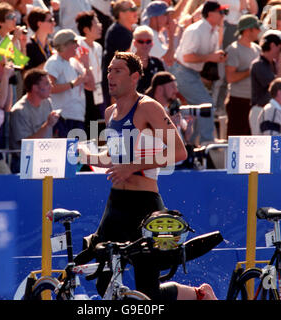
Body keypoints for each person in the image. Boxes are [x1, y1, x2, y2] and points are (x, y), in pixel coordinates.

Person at [78, 51, 217, 301]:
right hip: (116, 204)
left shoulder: (148, 107)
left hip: (144, 205)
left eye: (117, 70)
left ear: (134, 77)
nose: (110, 75)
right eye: (109, 70)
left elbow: (178, 151)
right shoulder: (109, 113)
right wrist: (86, 155)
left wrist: (132, 167)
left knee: (148, 290)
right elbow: (114, 159)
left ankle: (198, 294)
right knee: (103, 282)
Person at [172, 1, 228, 145]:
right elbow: (187, 57)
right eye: (220, 12)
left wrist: (217, 56)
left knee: (198, 111)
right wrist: (211, 57)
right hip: (182, 72)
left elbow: (209, 55)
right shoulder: (195, 30)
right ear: (210, 14)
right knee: (206, 104)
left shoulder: (214, 31)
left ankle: (192, 144)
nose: (223, 15)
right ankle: (206, 141)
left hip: (192, 74)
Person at [45, 29, 95, 138]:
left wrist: (86, 64)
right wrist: (73, 84)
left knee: (78, 154)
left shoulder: (75, 62)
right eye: (75, 42)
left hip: (78, 117)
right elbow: (49, 88)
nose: (78, 45)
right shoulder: (53, 62)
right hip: (62, 117)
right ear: (65, 45)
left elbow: (91, 86)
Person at [9, 69, 60, 172]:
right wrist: (47, 125)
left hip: (45, 161)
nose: (51, 86)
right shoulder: (19, 111)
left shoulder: (47, 103)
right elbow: (26, 145)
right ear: (35, 88)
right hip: (25, 163)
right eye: (46, 83)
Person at [224, 14, 261, 136]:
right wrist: (250, 71)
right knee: (237, 141)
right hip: (238, 102)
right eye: (256, 28)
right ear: (247, 30)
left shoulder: (258, 49)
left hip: (254, 102)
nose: (259, 31)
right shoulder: (234, 49)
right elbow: (230, 77)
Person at [249, 29, 281, 135]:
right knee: (262, 147)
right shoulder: (258, 64)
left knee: (276, 148)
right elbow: (278, 87)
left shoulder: (272, 64)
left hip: (273, 110)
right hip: (260, 110)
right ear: (272, 45)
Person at [102, 0, 138, 107]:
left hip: (122, 84)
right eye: (132, 9)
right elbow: (120, 65)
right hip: (113, 85)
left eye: (135, 8)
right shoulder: (117, 31)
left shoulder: (130, 30)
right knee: (97, 118)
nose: (136, 12)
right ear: (121, 14)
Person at [75, 10, 105, 136]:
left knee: (97, 123)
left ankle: (96, 152)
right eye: (96, 24)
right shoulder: (78, 44)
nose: (100, 26)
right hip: (84, 89)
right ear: (86, 29)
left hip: (97, 89)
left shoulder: (98, 46)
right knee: (87, 124)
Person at [140, 0, 177, 67]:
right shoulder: (149, 35)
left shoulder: (158, 34)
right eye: (165, 14)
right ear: (154, 18)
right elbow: (169, 60)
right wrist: (171, 34)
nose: (169, 18)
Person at [132, 25, 165, 94]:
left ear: (152, 44)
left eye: (148, 41)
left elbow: (164, 87)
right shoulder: (127, 63)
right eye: (141, 41)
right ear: (134, 43)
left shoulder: (157, 63)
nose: (145, 44)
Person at [24, 7, 55, 71]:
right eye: (50, 20)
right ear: (39, 24)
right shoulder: (29, 46)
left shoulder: (52, 43)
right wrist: (50, 62)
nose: (54, 23)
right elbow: (27, 73)